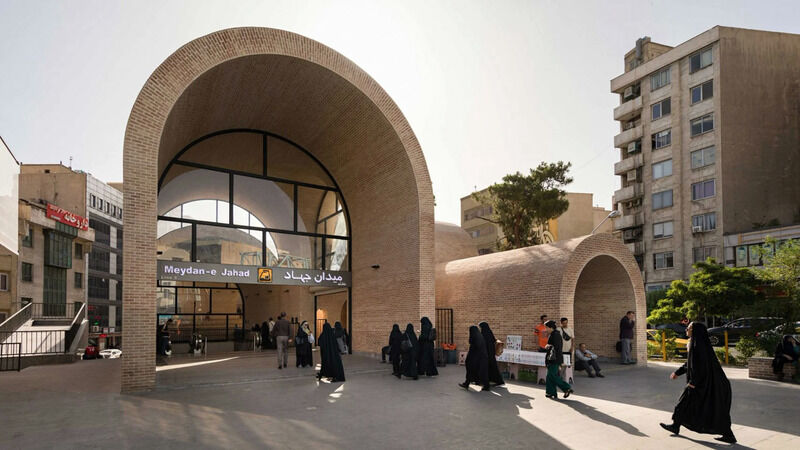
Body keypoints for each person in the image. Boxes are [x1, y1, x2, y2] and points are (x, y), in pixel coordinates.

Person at [660, 322, 736, 444]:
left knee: (687, 404)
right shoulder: (695, 343)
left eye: (689, 328)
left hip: (706, 384)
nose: (686, 329)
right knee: (707, 407)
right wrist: (677, 373)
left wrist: (693, 382)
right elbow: (689, 364)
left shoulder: (698, 346)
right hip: (704, 383)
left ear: (695, 331)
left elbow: (701, 366)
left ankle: (676, 425)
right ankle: (676, 425)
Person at [544, 320, 573, 399]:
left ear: (551, 327)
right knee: (549, 376)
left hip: (554, 359)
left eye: (546, 327)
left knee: (552, 376)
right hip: (553, 358)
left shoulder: (555, 335)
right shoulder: (553, 334)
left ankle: (567, 388)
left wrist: (548, 346)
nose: (545, 329)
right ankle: (551, 392)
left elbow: (556, 348)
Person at [460, 325, 490, 391]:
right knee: (479, 372)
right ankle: (467, 383)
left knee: (473, 370)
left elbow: (474, 348)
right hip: (480, 358)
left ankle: (467, 383)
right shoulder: (480, 337)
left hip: (477, 359)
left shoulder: (475, 338)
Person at [479, 321, 504, 386]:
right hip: (491, 353)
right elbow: (493, 340)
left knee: (489, 367)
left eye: (481, 327)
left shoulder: (484, 333)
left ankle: (497, 381)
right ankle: (496, 380)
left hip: (487, 354)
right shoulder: (489, 332)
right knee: (492, 367)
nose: (480, 328)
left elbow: (483, 343)